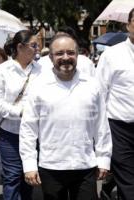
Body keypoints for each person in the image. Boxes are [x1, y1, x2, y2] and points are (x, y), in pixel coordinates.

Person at [19, 34, 112, 200]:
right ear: (51, 57)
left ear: (77, 55)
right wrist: (29, 165)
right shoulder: (39, 86)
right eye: (59, 53)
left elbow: (101, 126)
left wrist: (103, 158)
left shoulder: (92, 85)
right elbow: (28, 129)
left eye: (70, 53)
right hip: (51, 166)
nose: (65, 57)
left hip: (85, 165)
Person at [0, 30, 41, 200]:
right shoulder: (2, 71)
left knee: (29, 176)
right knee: (12, 177)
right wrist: (20, 112)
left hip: (35, 133)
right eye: (33, 45)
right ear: (20, 47)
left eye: (38, 45)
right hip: (10, 133)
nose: (37, 48)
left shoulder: (43, 70)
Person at [96, 8, 134, 200]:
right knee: (129, 184)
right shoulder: (112, 55)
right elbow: (99, 95)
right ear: (128, 25)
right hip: (120, 129)